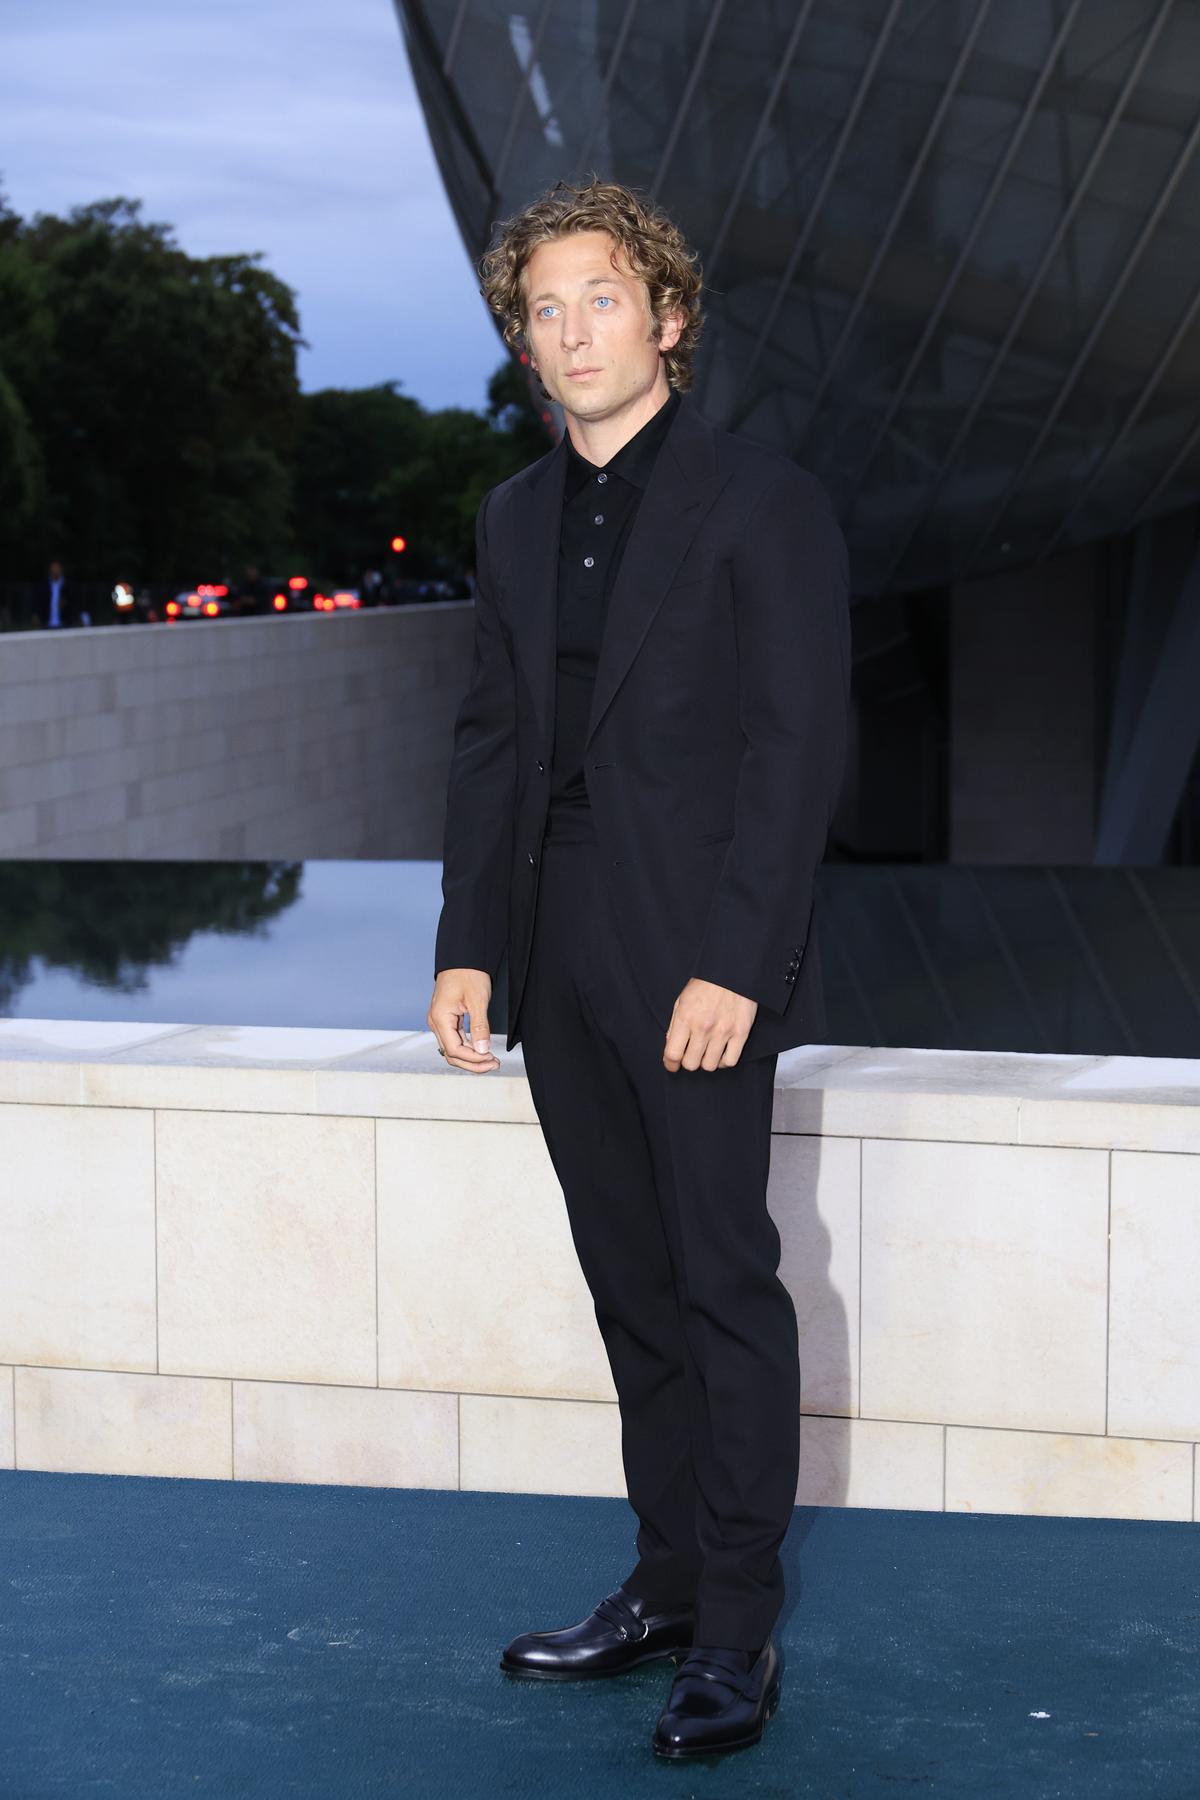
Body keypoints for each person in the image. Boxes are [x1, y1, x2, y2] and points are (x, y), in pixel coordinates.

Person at [427, 176, 851, 1761]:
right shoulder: (513, 514)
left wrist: (737, 961)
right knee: (631, 1285)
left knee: (721, 1281)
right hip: (556, 940)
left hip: (695, 949)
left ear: (665, 317)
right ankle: (666, 1584)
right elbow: (489, 738)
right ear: (525, 345)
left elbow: (798, 749)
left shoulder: (762, 502)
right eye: (542, 308)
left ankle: (738, 1633)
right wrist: (471, 942)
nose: (569, 329)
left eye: (599, 297)